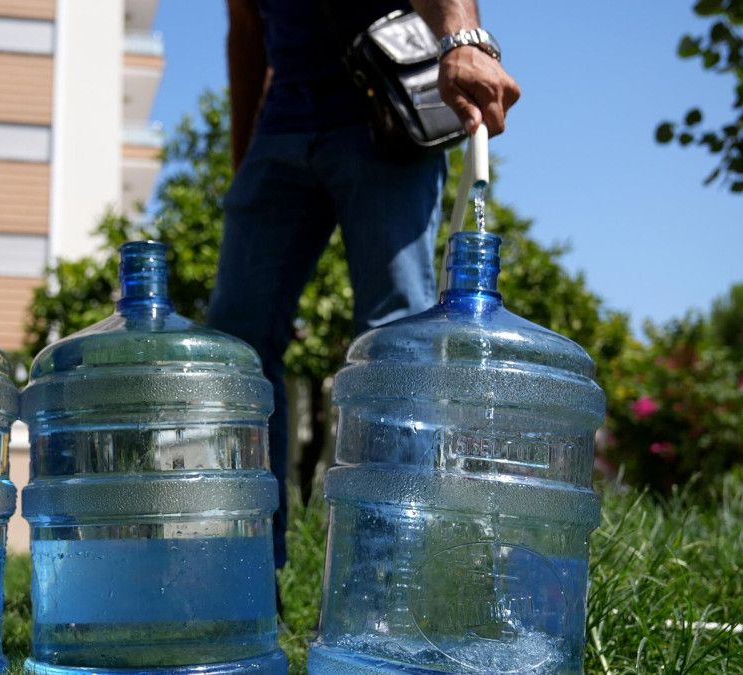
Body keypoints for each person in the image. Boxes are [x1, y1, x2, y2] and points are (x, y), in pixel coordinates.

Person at [208, 0, 521, 569]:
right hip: (280, 127)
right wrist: (245, 162)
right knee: (236, 348)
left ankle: (383, 580)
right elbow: (245, 31)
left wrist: (462, 38)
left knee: (394, 343)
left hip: (386, 115)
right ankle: (245, 579)